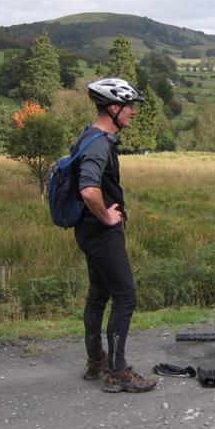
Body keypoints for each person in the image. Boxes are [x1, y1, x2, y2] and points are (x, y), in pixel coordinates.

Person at [75, 78, 157, 393]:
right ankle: (117, 371)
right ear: (113, 108)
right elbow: (88, 189)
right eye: (129, 106)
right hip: (101, 231)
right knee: (125, 297)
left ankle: (96, 360)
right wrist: (107, 215)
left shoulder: (89, 135)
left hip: (87, 230)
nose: (133, 112)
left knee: (98, 293)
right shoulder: (99, 143)